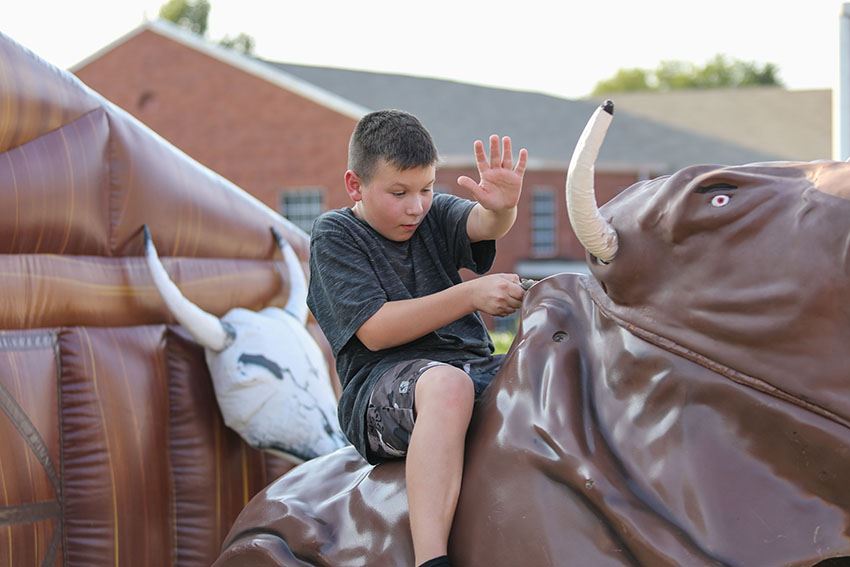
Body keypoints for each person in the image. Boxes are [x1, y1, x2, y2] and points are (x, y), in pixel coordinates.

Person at [307, 109, 528, 567]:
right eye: (399, 193)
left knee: (549, 366)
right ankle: (432, 559)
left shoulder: (434, 213)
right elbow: (377, 328)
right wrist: (469, 295)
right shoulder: (336, 235)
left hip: (469, 367)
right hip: (380, 389)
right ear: (355, 185)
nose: (416, 206)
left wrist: (501, 207)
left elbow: (483, 225)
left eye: (426, 189)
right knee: (447, 385)